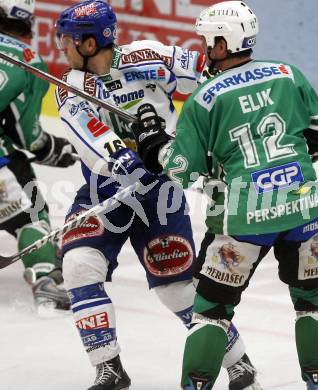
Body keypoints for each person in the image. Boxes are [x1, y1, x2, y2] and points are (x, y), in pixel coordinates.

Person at [126, 1, 318, 389]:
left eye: (209, 43)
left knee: (211, 312)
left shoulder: (206, 97)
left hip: (241, 215)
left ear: (223, 44)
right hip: (306, 207)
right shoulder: (289, 75)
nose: (206, 50)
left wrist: (152, 140)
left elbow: (185, 169)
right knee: (314, 301)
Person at [54, 1, 261, 389]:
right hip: (106, 190)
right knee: (79, 265)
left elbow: (210, 78)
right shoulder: (70, 88)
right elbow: (94, 141)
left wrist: (199, 142)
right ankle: (109, 368)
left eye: (66, 40)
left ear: (88, 43)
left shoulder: (150, 56)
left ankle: (239, 362)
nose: (60, 48)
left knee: (176, 289)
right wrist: (131, 165)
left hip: (160, 191)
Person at [0, 0, 75, 312]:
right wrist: (56, 149)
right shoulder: (27, 59)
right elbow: (26, 136)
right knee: (32, 215)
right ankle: (44, 280)